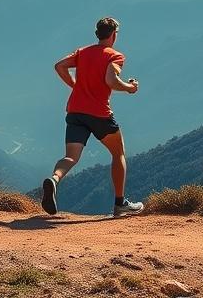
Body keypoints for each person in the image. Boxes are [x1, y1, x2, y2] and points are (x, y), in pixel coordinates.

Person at [40, 16, 144, 218]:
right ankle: (120, 204)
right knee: (118, 153)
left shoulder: (83, 52)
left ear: (98, 34)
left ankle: (53, 180)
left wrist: (75, 86)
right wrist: (130, 88)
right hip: (99, 113)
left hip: (75, 111)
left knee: (71, 157)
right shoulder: (114, 55)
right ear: (114, 35)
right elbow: (111, 80)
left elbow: (59, 66)